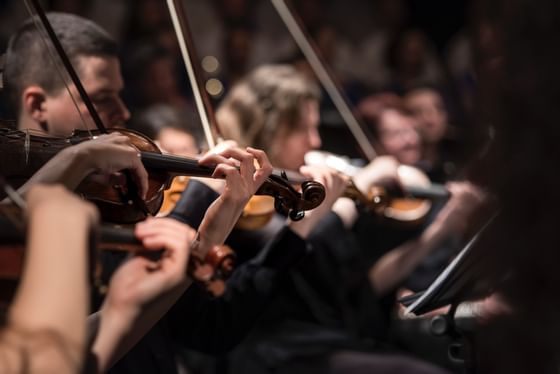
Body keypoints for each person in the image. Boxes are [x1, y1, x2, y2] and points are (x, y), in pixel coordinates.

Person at [3, 12, 341, 374]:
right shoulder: (28, 225)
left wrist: (206, 238)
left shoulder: (114, 197)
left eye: (120, 93)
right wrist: (193, 200)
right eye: (102, 97)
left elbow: (196, 324)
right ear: (37, 105)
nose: (123, 111)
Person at [215, 64, 485, 373]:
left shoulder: (291, 191)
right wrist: (360, 186)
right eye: (304, 129)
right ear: (271, 128)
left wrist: (440, 227)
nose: (315, 142)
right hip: (275, 352)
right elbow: (294, 250)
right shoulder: (245, 201)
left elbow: (358, 286)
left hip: (328, 340)